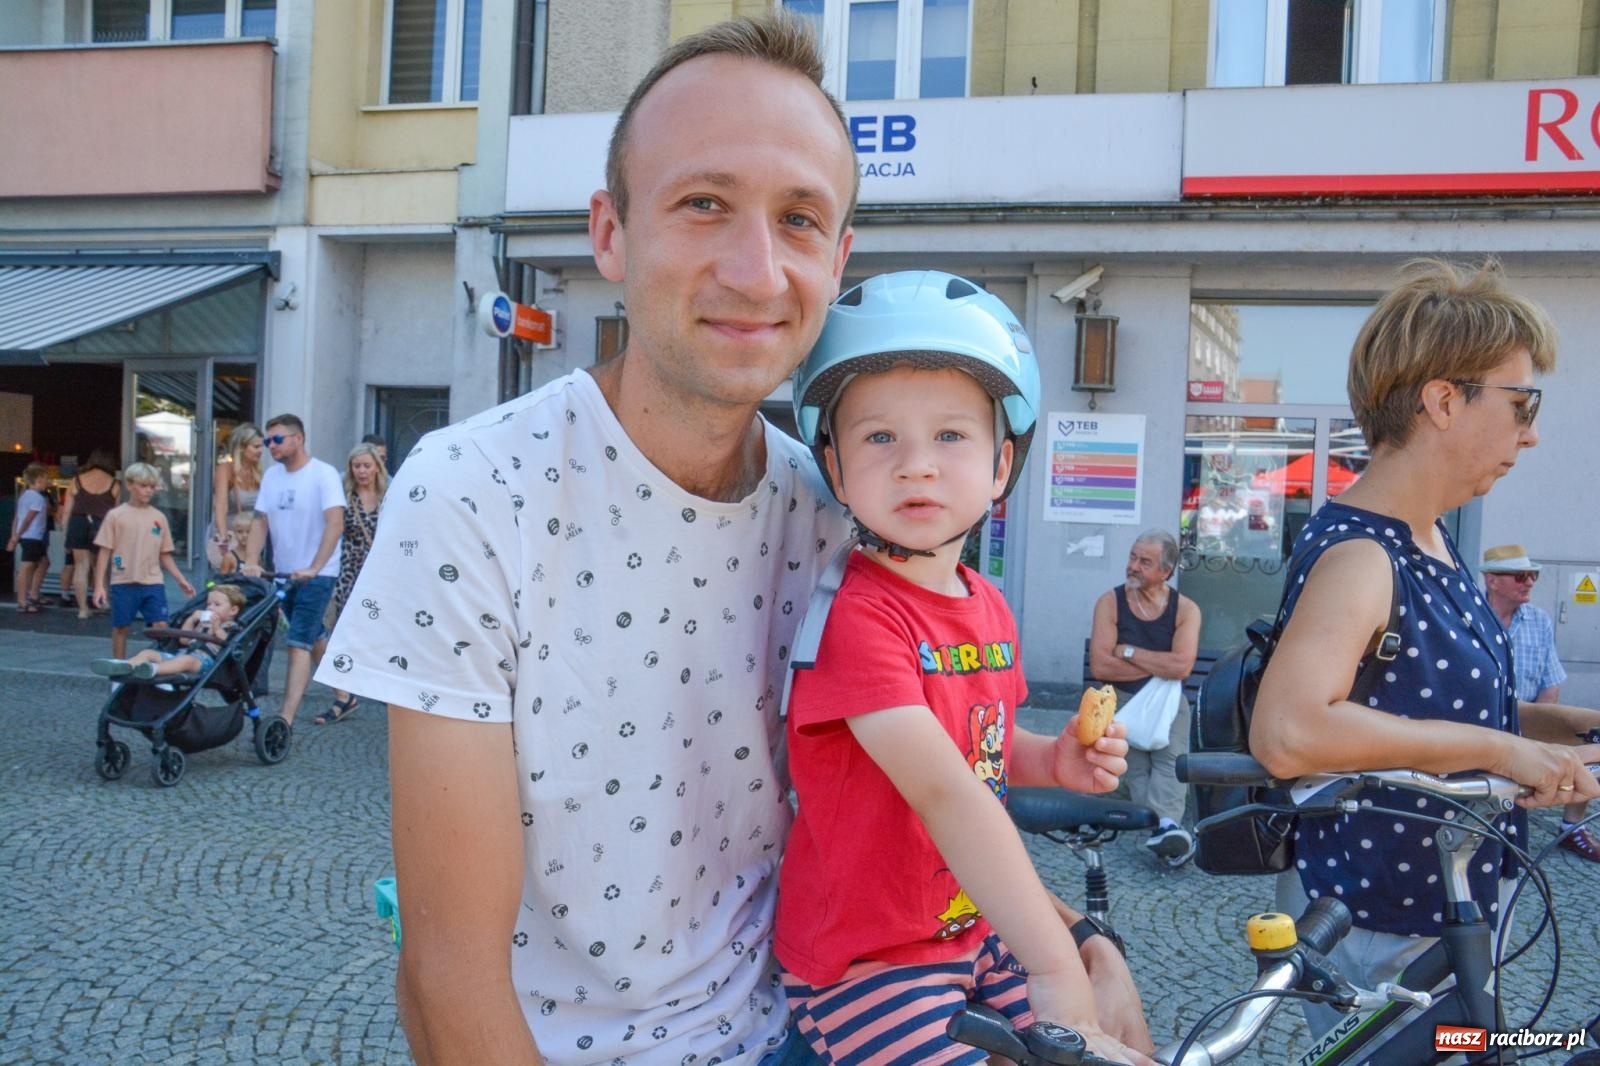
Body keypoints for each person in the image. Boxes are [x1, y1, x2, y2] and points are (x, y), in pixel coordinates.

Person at [315, 14, 859, 1064]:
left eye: (798, 220)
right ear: (609, 234)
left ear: (836, 260)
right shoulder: (474, 492)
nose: (756, 271)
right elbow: (448, 970)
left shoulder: (834, 516)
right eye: (703, 204)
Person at [775, 271, 1155, 1066]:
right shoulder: (859, 615)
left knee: (1126, 1050)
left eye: (951, 435)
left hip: (971, 927)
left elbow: (982, 743)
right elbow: (945, 789)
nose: (916, 464)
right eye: (880, 437)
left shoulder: (984, 602)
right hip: (868, 962)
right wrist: (1056, 961)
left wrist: (1052, 757)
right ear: (836, 468)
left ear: (1000, 463)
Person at [1248, 260, 1600, 1035]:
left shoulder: (1429, 539)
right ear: (1444, 400)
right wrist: (1501, 754)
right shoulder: (1364, 555)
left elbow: (1432, 700)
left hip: (1446, 903)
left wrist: (1574, 727)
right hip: (1381, 914)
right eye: (1520, 403)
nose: (1531, 432)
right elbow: (1288, 732)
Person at [1089, 530, 1202, 867]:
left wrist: (1127, 651)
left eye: (1145, 561)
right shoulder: (1110, 602)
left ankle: (1163, 827)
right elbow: (1101, 665)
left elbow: (1182, 665)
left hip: (1168, 701)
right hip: (1122, 699)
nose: (1134, 566)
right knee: (1137, 767)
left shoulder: (1185, 609)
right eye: (1133, 557)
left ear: (1166, 571)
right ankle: (1166, 829)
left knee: (1171, 761)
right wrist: (1159, 666)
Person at [1480, 543, 1598, 862]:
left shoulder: (1539, 620)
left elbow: (1550, 684)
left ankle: (1572, 828)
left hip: (1529, 718)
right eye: (1521, 576)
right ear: (1492, 580)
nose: (1530, 582)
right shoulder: (1470, 616)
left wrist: (1540, 735)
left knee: (1590, 736)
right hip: (1483, 720)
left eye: (1533, 575)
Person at [241, 414, 343, 729]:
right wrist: (251, 559)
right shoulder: (272, 477)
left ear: (298, 439)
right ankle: (346, 695)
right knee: (313, 635)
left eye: (277, 439)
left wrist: (315, 566)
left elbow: (335, 523)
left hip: (318, 574)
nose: (270, 445)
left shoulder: (323, 475)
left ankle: (285, 717)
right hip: (284, 574)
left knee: (298, 641)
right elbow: (260, 520)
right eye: (268, 441)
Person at [91, 462, 196, 659]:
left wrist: (180, 579)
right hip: (123, 581)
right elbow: (104, 551)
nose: (149, 491)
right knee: (121, 627)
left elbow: (165, 553)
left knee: (161, 626)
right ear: (130, 485)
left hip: (152, 581)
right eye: (143, 486)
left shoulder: (158, 517)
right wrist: (99, 586)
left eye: (152, 486)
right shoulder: (116, 516)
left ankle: (162, 665)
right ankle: (119, 667)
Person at [316, 441, 388, 725]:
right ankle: (346, 685)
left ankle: (378, 680)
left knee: (379, 626)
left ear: (376, 468)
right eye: (357, 466)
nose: (361, 471)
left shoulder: (387, 495)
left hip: (379, 570)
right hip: (349, 567)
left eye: (366, 466)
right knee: (344, 626)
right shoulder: (344, 496)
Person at [91, 584, 245, 679]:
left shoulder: (230, 626)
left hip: (204, 661)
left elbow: (227, 641)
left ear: (233, 610)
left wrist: (217, 628)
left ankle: (153, 670)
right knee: (148, 653)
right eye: (209, 604)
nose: (210, 607)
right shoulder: (204, 624)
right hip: (184, 654)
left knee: (185, 662)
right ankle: (125, 666)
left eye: (217, 605)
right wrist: (192, 619)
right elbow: (184, 640)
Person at [60, 449, 121, 620]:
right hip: (103, 526)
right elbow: (117, 514)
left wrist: (65, 535)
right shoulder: (114, 484)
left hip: (78, 524)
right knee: (101, 566)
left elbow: (66, 512)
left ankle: (83, 609)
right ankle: (103, 601)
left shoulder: (76, 481)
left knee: (81, 566)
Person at [209, 423, 265, 574]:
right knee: (227, 584)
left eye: (261, 446)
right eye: (255, 446)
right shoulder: (226, 470)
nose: (260, 451)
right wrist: (223, 538)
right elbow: (220, 506)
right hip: (231, 537)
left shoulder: (259, 473)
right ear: (241, 447)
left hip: (251, 538)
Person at [8, 463, 52, 613]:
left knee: (43, 562)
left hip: (28, 536)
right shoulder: (38, 499)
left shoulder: (24, 496)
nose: (48, 482)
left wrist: (15, 535)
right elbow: (28, 519)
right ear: (39, 479)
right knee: (26, 567)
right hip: (32, 536)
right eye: (46, 479)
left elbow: (17, 517)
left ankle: (31, 595)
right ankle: (23, 601)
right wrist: (17, 536)